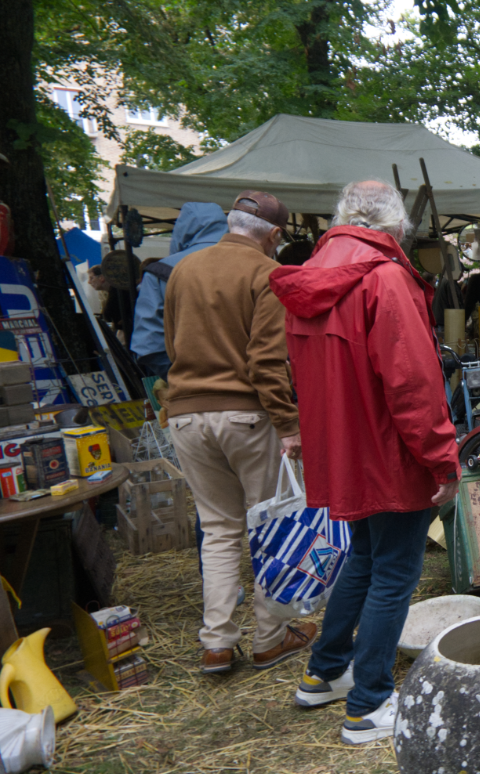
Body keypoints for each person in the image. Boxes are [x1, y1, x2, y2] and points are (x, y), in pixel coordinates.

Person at [271, 180, 460, 743]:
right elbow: (414, 384)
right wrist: (442, 459)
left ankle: (325, 672)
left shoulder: (313, 274)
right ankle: (369, 703)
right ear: (396, 227)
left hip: (344, 448)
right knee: (394, 571)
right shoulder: (384, 276)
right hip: (388, 449)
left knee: (365, 560)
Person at [162, 190, 307, 675]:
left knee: (219, 530)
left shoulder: (183, 270)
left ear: (231, 223)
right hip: (245, 415)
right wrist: (288, 424)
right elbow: (266, 363)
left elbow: (172, 347)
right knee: (269, 525)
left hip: (186, 415)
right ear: (274, 234)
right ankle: (270, 639)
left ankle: (217, 644)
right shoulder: (267, 273)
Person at [131, 202, 228, 380]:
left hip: (189, 385)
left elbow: (149, 345)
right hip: (252, 386)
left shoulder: (158, 272)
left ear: (182, 228)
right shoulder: (256, 266)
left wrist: (181, 377)